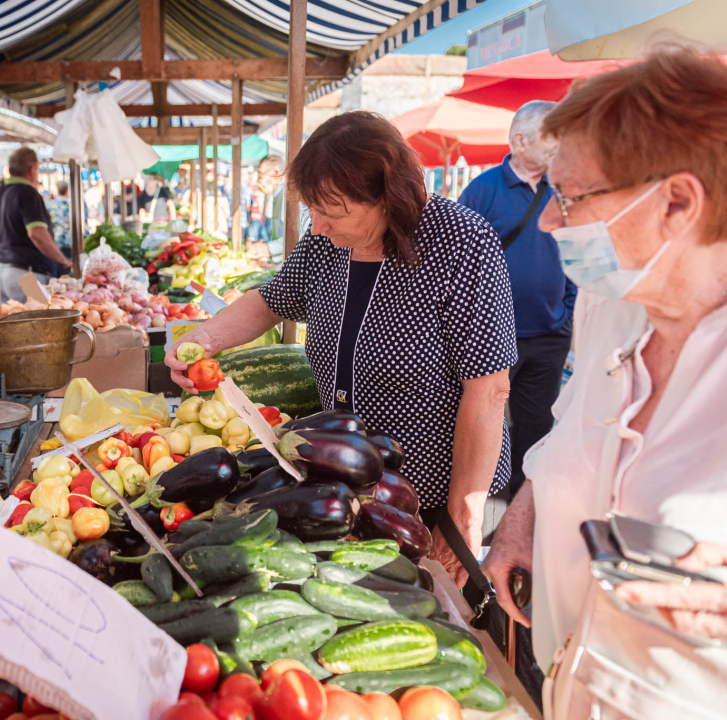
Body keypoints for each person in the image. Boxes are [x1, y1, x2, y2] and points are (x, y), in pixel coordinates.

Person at [483, 51, 727, 717]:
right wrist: (522, 518)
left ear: (677, 202)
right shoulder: (611, 303)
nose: (548, 221)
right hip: (565, 680)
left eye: (570, 197)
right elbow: (573, 425)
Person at [167, 111, 517, 586]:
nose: (318, 226)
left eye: (333, 212)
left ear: (389, 195)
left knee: (443, 616)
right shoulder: (325, 245)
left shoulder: (461, 243)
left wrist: (463, 515)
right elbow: (271, 300)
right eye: (314, 210)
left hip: (440, 495)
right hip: (353, 486)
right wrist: (203, 339)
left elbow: (489, 389)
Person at [459, 101, 575, 496]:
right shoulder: (483, 190)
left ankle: (521, 504)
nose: (559, 145)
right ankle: (480, 498)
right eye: (552, 136)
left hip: (549, 334)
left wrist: (567, 312)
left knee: (536, 425)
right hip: (493, 336)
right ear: (521, 141)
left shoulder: (560, 189)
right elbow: (458, 263)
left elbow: (573, 249)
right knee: (485, 420)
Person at [0, 148, 71, 302]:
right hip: (25, 276)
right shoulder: (28, 193)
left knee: (12, 316)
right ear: (32, 169)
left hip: (2, 272)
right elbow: (37, 233)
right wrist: (64, 261)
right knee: (41, 315)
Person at [47, 180, 73, 260]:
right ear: (67, 190)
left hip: (55, 242)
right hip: (69, 242)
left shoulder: (50, 205)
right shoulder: (72, 205)